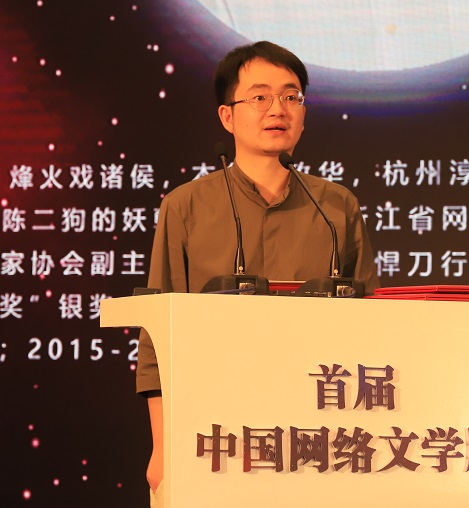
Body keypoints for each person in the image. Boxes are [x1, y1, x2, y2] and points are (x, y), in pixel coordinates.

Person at [137, 40, 379, 506]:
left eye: (291, 97)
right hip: (212, 432)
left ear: (303, 114)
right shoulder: (186, 206)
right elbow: (156, 336)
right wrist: (162, 446)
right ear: (227, 116)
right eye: (260, 96)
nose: (278, 110)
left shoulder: (336, 207)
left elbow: (372, 323)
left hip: (320, 433)